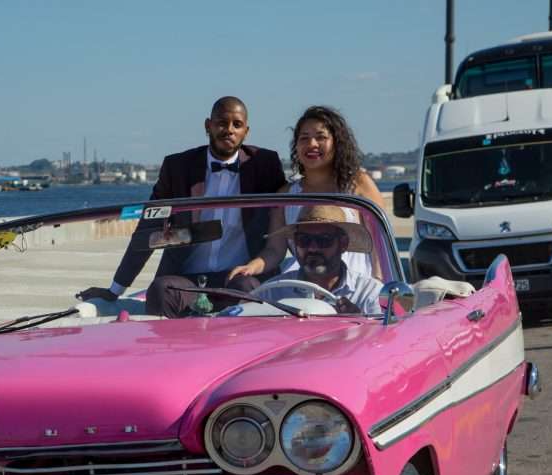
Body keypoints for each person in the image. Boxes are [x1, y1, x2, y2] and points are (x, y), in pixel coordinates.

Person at [76, 96, 286, 317]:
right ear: (208, 125)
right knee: (159, 290)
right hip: (188, 279)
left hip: (239, 277)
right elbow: (148, 229)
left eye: (237, 124)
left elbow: (290, 209)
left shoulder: (264, 164)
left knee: (246, 290)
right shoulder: (177, 168)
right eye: (222, 123)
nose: (229, 130)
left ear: (247, 131)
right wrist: (115, 289)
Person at [229, 105, 384, 282]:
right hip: (304, 290)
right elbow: (275, 250)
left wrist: (378, 285)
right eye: (304, 138)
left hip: (356, 289)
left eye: (321, 137)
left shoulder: (358, 184)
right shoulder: (286, 195)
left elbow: (380, 246)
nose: (312, 144)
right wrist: (250, 267)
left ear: (336, 142)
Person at [258, 204, 383, 315]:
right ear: (295, 243)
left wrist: (361, 322)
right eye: (304, 240)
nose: (312, 248)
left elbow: (383, 337)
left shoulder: (369, 293)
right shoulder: (272, 292)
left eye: (324, 240)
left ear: (343, 244)